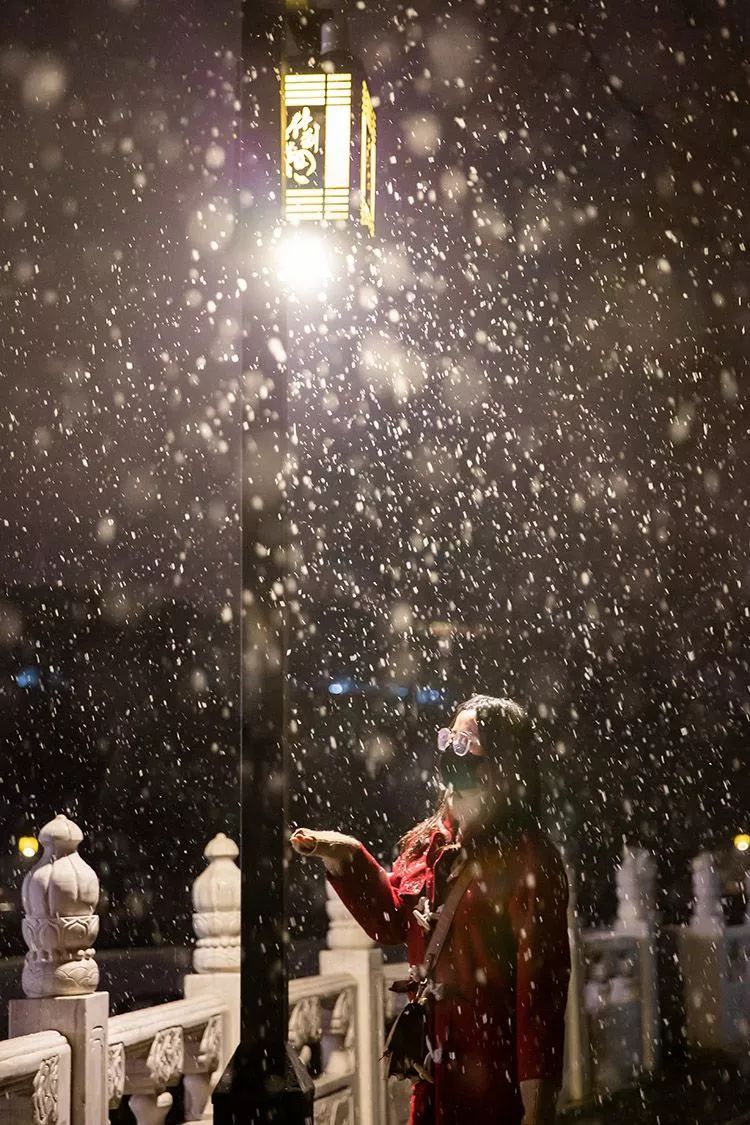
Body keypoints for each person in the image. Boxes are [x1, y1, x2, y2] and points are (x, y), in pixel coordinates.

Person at [291, 694, 571, 1125]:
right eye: (448, 740)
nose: (451, 754)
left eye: (466, 745)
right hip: (433, 1074)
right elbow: (393, 922)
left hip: (493, 1084)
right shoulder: (434, 840)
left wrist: (537, 1111)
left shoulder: (528, 859)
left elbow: (539, 998)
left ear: (503, 761)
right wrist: (344, 856)